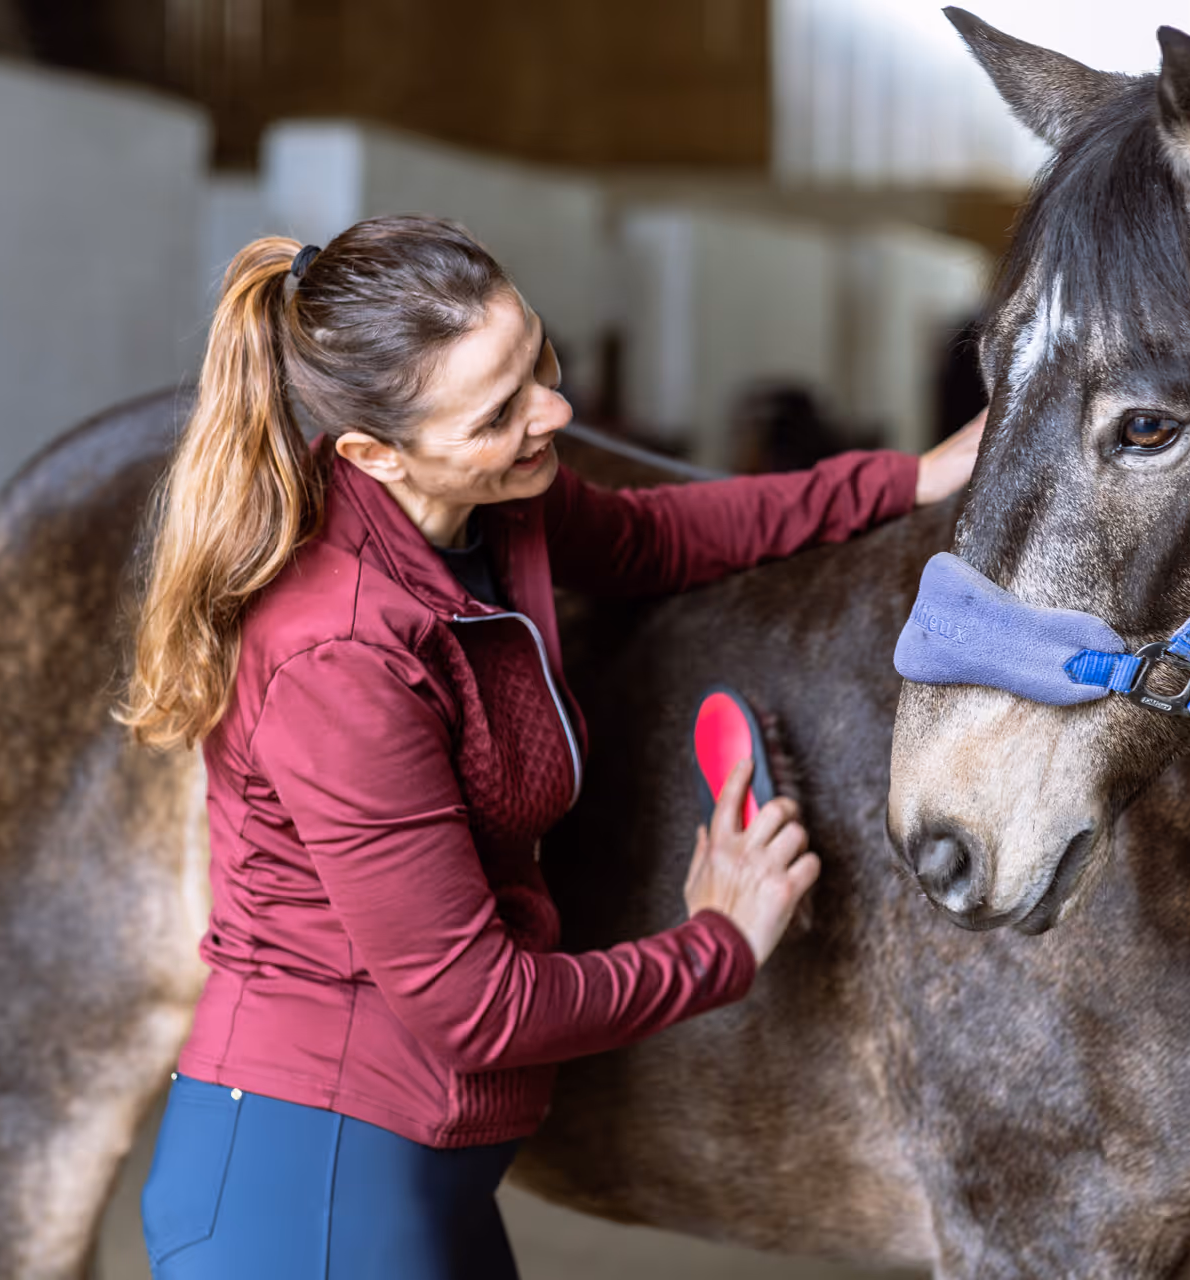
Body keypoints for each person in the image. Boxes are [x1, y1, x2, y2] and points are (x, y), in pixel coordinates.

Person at [120, 214, 986, 1278]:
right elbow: (478, 1001)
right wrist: (719, 940)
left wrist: (909, 482)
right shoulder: (335, 658)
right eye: (499, 412)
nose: (555, 412)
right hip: (310, 1176)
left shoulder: (492, 502)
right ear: (372, 453)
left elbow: (650, 537)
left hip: (419, 1162)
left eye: (539, 361)